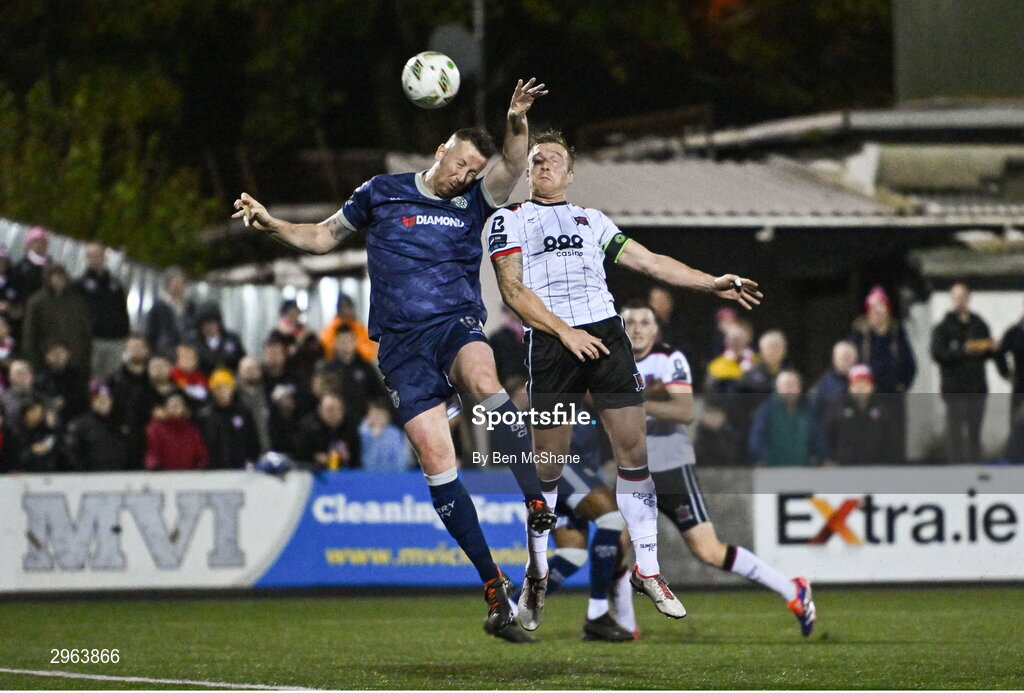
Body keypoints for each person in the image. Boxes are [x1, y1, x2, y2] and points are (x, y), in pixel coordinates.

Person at [234, 78, 550, 630]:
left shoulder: (475, 199)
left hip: (454, 324)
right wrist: (271, 224)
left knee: (483, 379)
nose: (466, 176)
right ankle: (492, 583)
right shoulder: (380, 191)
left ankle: (535, 503)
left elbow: (513, 164)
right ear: (440, 151)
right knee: (435, 460)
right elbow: (322, 236)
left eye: (475, 170)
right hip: (401, 348)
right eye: (461, 164)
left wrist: (516, 121)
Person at [486, 129, 761, 628]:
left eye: (554, 159)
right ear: (526, 171)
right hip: (552, 340)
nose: (543, 163)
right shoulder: (510, 218)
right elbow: (511, 290)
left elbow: (650, 261)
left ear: (570, 174)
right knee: (548, 467)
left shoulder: (592, 220)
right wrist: (565, 332)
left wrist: (710, 282)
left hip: (605, 335)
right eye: (536, 158)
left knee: (634, 452)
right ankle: (537, 571)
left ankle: (649, 570)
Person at [612, 302, 815, 637]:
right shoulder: (614, 362)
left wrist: (634, 403)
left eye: (644, 322)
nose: (636, 327)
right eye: (630, 321)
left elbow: (685, 410)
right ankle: (624, 625)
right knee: (614, 545)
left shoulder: (670, 359)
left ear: (655, 328)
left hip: (671, 468)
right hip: (632, 469)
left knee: (708, 550)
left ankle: (792, 590)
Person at [930, 283, 996, 463]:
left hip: (977, 388)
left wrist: (991, 348)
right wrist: (962, 350)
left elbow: (990, 352)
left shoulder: (979, 324)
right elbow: (938, 354)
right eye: (956, 297)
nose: (960, 301)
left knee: (975, 435)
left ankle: (975, 471)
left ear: (968, 298)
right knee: (955, 435)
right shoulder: (943, 327)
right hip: (954, 390)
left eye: (963, 297)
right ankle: (956, 474)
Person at [850, 285, 916, 460]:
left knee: (894, 439)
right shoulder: (860, 336)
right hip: (867, 397)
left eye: (880, 311)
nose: (876, 316)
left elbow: (910, 364)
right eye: (873, 312)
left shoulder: (897, 335)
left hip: (893, 396)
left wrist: (903, 384)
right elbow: (852, 362)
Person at [74, 243, 131, 380]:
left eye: (97, 256)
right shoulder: (79, 285)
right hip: (92, 340)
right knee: (91, 378)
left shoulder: (115, 285)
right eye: (91, 256)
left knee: (111, 379)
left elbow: (123, 310)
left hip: (115, 341)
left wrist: (125, 334)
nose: (94, 259)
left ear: (104, 257)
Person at [22, 264, 93, 373]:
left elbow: (84, 330)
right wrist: (45, 352)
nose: (58, 280)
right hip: (43, 358)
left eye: (61, 276)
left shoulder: (77, 302)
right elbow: (29, 331)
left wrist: (72, 353)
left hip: (73, 360)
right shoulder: (36, 301)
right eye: (54, 276)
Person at [748, 371, 827, 467]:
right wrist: (764, 461)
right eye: (786, 385)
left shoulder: (808, 411)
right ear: (778, 388)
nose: (790, 389)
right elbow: (756, 441)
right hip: (774, 471)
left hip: (802, 471)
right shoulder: (767, 410)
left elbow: (818, 439)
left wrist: (821, 460)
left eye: (794, 385)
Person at [824, 365, 898, 466]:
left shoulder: (881, 408)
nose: (860, 388)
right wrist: (831, 459)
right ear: (850, 387)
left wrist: (888, 462)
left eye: (864, 384)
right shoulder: (838, 407)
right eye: (856, 384)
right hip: (845, 466)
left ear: (871, 386)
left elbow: (890, 438)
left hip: (875, 466)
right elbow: (828, 434)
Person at [200, 369, 261, 469]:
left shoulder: (243, 412)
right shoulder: (206, 416)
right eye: (218, 388)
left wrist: (252, 460)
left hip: (241, 467)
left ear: (232, 388)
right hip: (214, 469)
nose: (222, 391)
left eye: (226, 387)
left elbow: (253, 440)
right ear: (213, 391)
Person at [65, 382, 133, 471]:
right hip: (92, 477)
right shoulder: (81, 425)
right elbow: (74, 454)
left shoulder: (120, 423)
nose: (104, 403)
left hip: (119, 476)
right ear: (92, 402)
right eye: (99, 400)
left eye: (106, 399)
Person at [294, 393, 361, 469]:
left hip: (347, 472)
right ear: (320, 410)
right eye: (329, 410)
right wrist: (317, 457)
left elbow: (358, 456)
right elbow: (300, 454)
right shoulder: (308, 428)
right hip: (315, 472)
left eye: (337, 409)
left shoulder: (353, 426)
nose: (333, 414)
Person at [144, 393, 208, 471]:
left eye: (178, 405)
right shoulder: (155, 428)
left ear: (183, 408)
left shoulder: (191, 430)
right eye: (172, 405)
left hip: (189, 476)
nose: (175, 408)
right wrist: (154, 466)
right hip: (163, 475)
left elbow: (200, 454)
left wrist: (200, 466)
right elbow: (152, 452)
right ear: (165, 408)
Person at [144, 267, 196, 358]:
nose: (177, 285)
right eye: (174, 282)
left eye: (180, 282)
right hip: (164, 350)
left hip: (187, 350)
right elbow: (151, 330)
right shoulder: (159, 306)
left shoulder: (190, 305)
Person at [320, 294, 377, 363]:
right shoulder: (331, 329)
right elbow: (326, 351)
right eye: (343, 308)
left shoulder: (359, 327)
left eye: (348, 307)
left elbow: (370, 352)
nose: (346, 311)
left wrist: (354, 346)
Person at [192, 302, 246, 375]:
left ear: (219, 322)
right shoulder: (193, 342)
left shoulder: (232, 339)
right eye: (204, 324)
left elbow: (242, 360)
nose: (209, 327)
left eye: (212, 322)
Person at [809, 340, 858, 420]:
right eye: (842, 357)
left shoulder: (865, 384)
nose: (845, 361)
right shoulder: (821, 387)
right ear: (834, 358)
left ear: (855, 359)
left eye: (849, 357)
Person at [359, 398, 410, 471]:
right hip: (368, 473)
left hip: (391, 473)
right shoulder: (365, 432)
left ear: (387, 417)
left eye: (380, 415)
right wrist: (374, 436)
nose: (377, 419)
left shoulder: (394, 433)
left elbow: (400, 458)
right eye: (374, 415)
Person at [996, 301, 1024, 428]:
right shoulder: (1015, 332)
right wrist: (1006, 373)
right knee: (1018, 428)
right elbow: (999, 352)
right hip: (1021, 387)